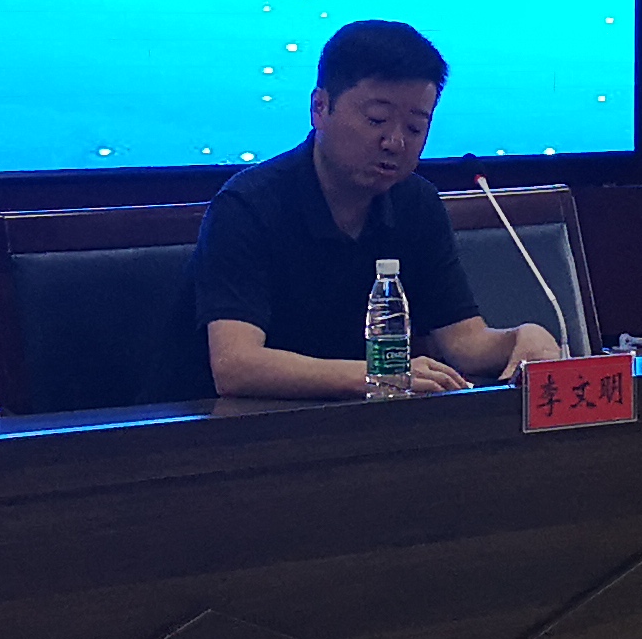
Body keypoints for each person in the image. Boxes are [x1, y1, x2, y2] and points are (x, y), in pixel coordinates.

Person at [179, 20, 565, 397]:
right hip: (229, 428)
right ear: (319, 108)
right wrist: (382, 376)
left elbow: (464, 342)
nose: (395, 142)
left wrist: (523, 337)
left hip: (365, 423)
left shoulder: (417, 203)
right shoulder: (248, 205)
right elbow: (236, 365)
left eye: (415, 128)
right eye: (377, 120)